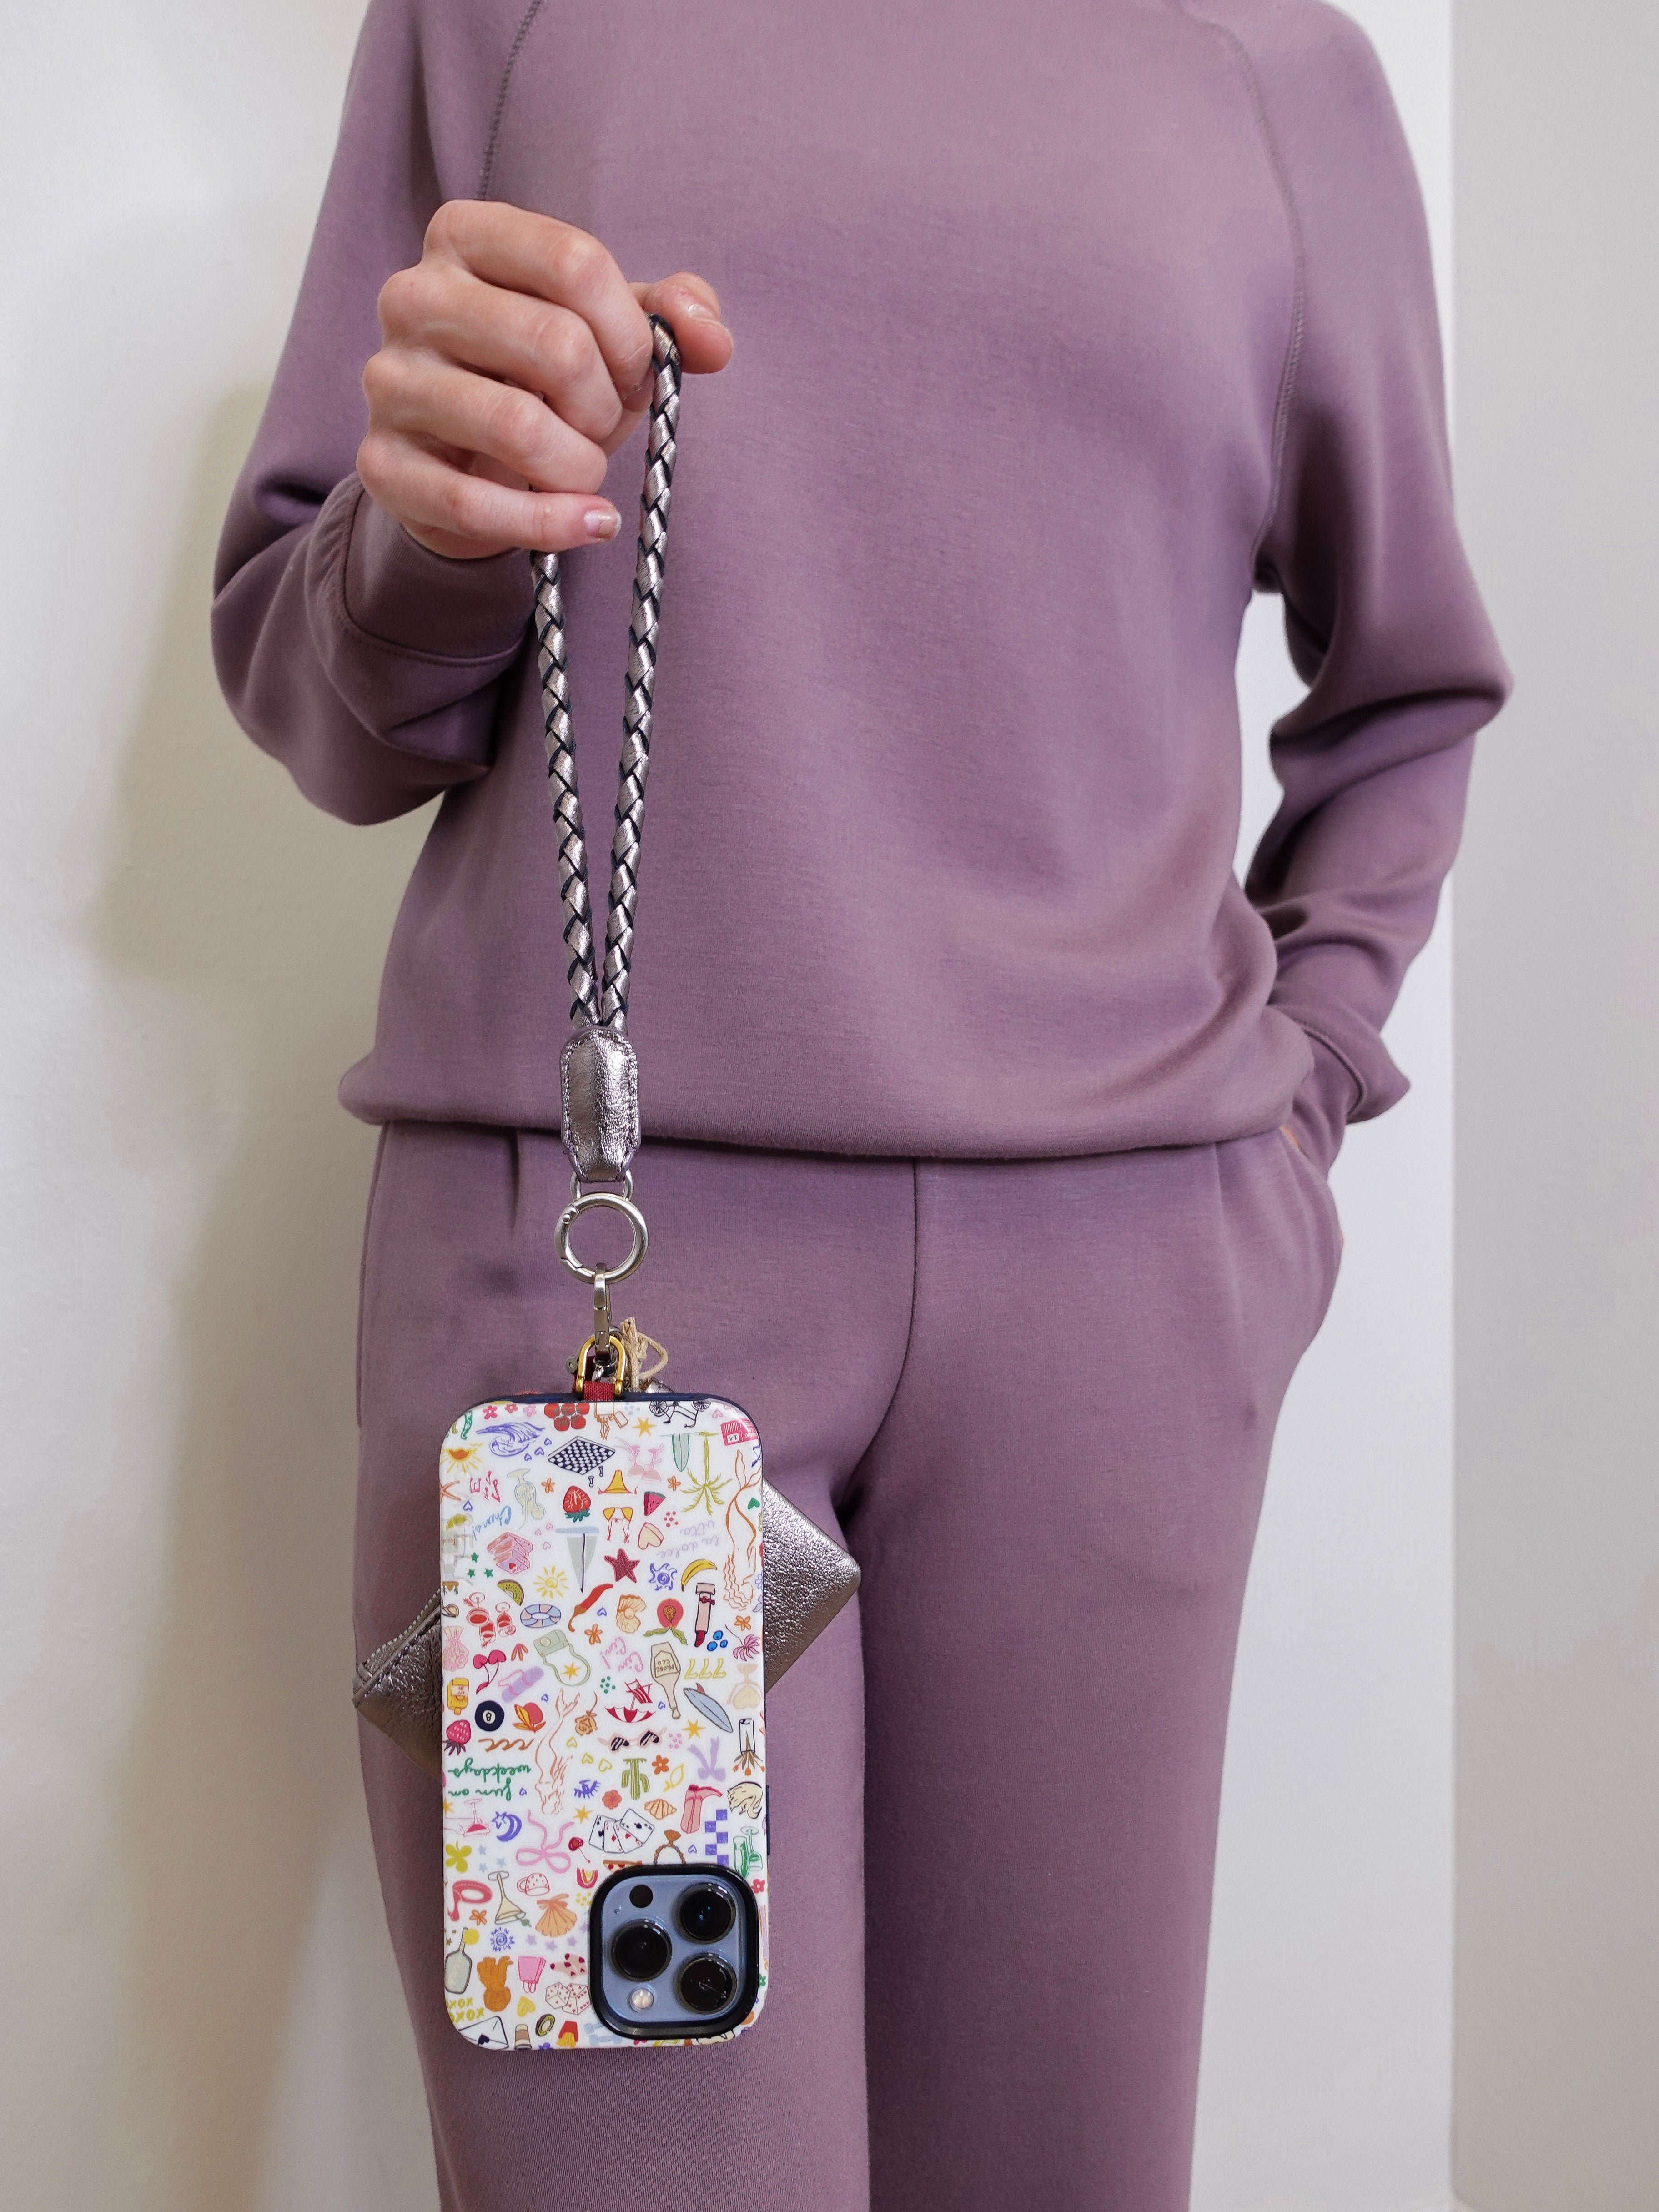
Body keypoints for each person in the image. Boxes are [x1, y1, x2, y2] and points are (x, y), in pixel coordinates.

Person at [211, 2, 1508, 2206]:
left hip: (1120, 1305)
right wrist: (433, 533)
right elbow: (316, 689)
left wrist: (1293, 1107)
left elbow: (1407, 689)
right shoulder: (497, 16)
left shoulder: (1270, 60)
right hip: (599, 1302)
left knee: (1059, 2169)